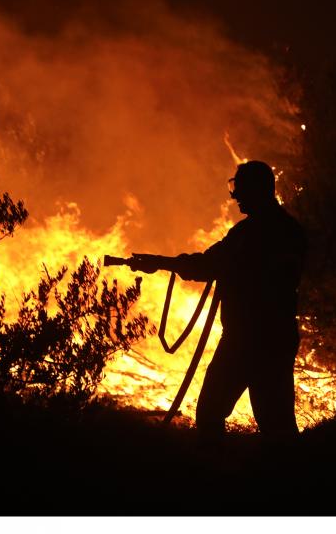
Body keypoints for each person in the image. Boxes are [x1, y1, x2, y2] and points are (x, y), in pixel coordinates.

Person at [127, 160, 306, 446]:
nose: (235, 196)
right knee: (277, 425)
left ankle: (219, 480)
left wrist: (161, 263)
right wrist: (160, 263)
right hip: (273, 337)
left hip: (248, 340)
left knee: (212, 414)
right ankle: (285, 481)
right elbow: (211, 264)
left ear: (257, 189)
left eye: (240, 188)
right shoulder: (285, 230)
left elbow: (209, 265)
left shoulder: (253, 234)